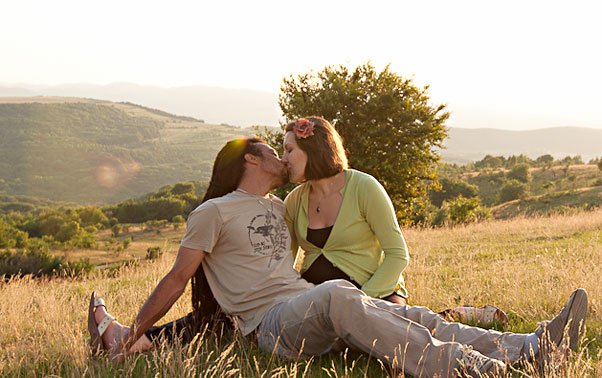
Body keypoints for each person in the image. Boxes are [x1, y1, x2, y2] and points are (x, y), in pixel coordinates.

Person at [88, 137, 588, 378]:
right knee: (336, 295)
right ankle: (475, 369)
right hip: (269, 325)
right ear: (250, 160)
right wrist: (136, 331)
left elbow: (325, 180)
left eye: (287, 151)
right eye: (274, 151)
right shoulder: (213, 213)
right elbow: (178, 278)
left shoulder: (283, 205)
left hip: (306, 306)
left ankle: (534, 346)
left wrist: (314, 143)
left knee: (407, 312)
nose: (283, 159)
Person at [282, 117, 409, 305]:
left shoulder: (364, 187)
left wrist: (361, 301)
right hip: (319, 300)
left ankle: (448, 316)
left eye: (289, 150)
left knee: (393, 331)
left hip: (375, 294)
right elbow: (285, 265)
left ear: (314, 149)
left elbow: (397, 255)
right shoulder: (294, 201)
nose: (283, 159)